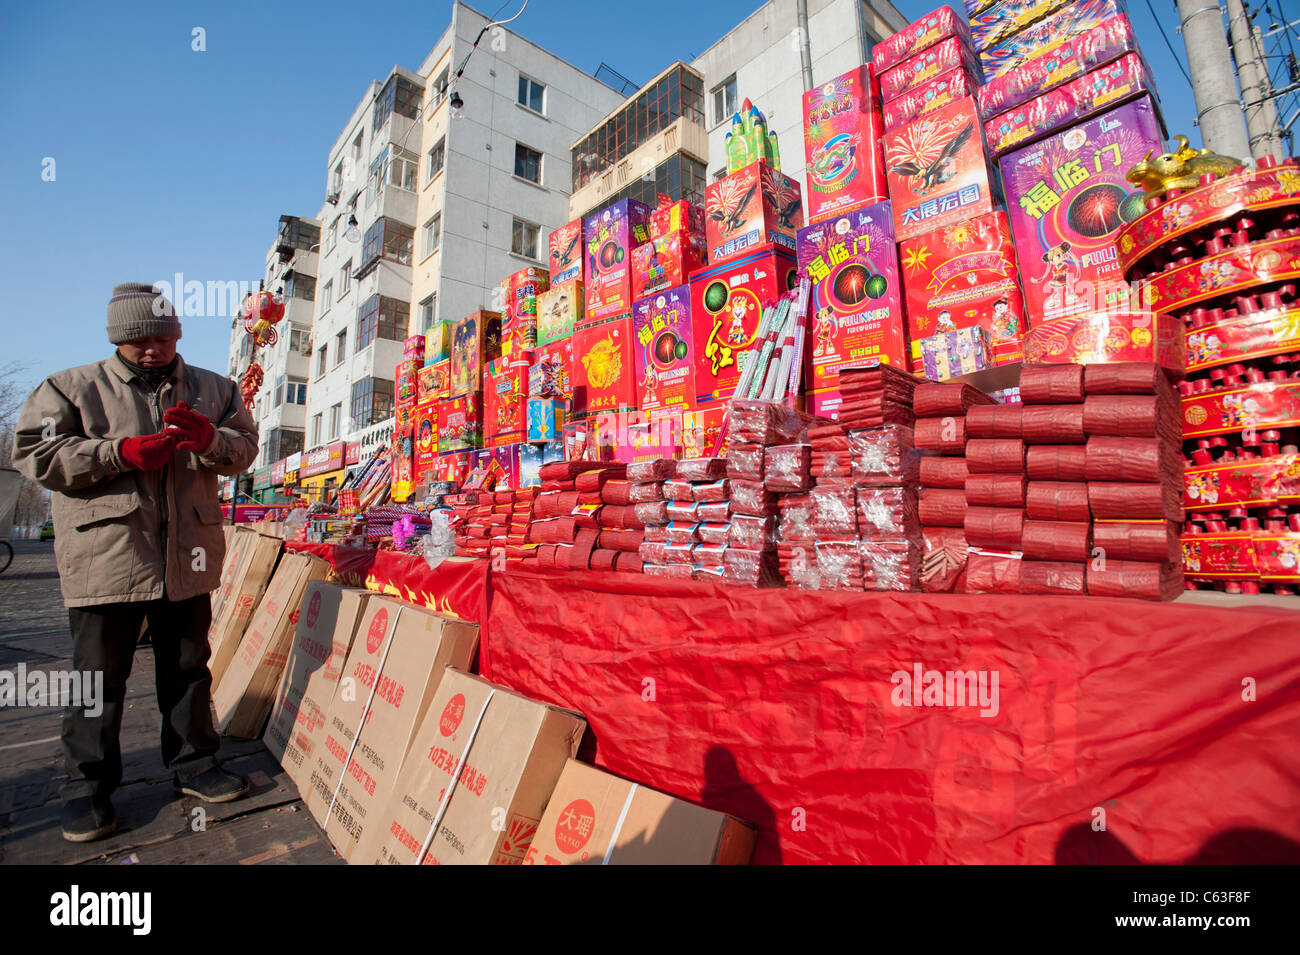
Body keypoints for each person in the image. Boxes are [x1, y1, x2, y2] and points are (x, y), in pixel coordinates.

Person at [12, 282, 259, 842]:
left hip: (186, 557)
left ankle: (196, 764)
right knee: (97, 677)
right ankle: (87, 788)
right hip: (108, 555)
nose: (154, 349)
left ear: (178, 335)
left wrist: (210, 440)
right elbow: (33, 452)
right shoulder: (72, 387)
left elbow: (245, 449)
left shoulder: (214, 388)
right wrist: (115, 454)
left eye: (164, 337)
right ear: (117, 340)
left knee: (189, 667)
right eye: (139, 340)